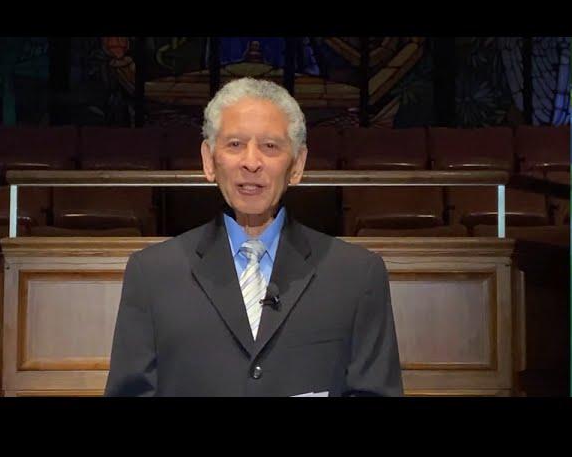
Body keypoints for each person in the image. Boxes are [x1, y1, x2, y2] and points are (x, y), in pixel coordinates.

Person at [105, 77, 403, 397]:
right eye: (234, 144)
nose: (251, 162)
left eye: (270, 146)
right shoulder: (151, 273)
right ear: (209, 160)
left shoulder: (357, 274)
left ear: (297, 164)